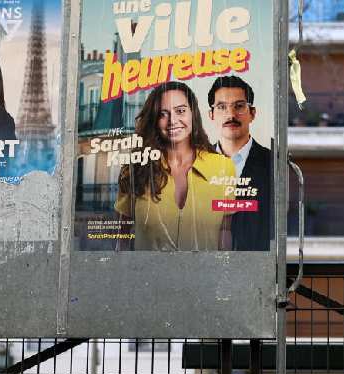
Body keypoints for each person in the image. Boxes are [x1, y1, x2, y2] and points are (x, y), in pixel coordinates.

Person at [116, 81, 236, 251]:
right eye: (163, 114)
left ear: (193, 114)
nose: (173, 121)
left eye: (180, 111)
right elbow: (122, 241)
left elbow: (225, 230)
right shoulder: (135, 169)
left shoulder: (223, 168)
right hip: (145, 276)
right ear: (154, 120)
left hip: (206, 276)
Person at [208, 76, 273, 251]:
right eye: (221, 107)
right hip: (203, 268)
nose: (231, 115)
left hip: (256, 268)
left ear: (252, 113)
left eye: (239, 106)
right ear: (211, 115)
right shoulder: (195, 164)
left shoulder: (273, 163)